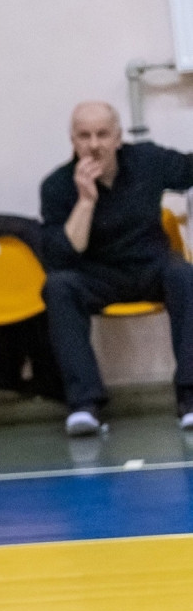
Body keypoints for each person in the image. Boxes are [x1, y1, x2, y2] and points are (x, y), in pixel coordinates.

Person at [39, 101, 193, 435]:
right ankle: (84, 405)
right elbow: (63, 255)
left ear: (118, 137)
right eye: (84, 136)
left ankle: (190, 397)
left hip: (151, 266)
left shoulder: (147, 160)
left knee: (185, 275)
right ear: (73, 141)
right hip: (96, 275)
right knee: (58, 287)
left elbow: (188, 169)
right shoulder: (56, 186)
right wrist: (86, 200)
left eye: (102, 134)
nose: (94, 145)